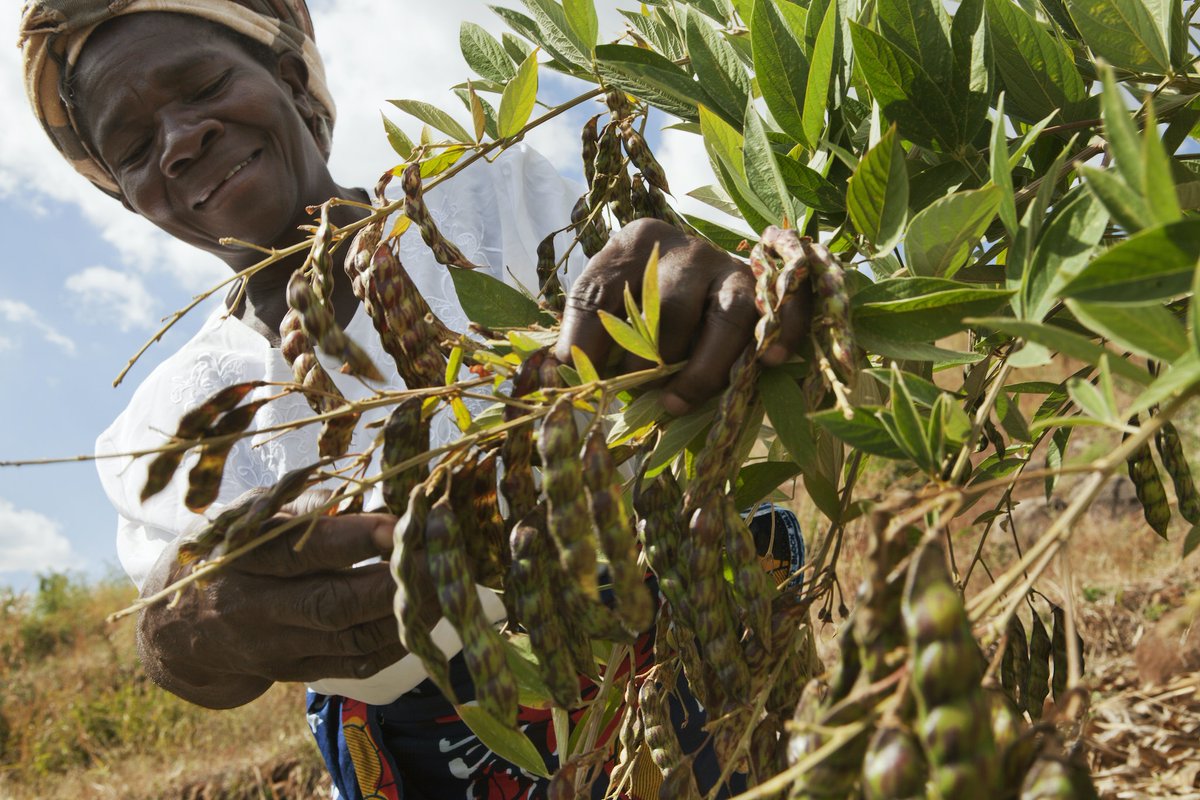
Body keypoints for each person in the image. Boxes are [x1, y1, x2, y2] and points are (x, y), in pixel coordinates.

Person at [18, 2, 812, 797]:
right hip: (428, 759)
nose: (181, 140)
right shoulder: (164, 423)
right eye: (132, 146)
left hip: (678, 656)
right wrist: (173, 638)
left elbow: (676, 289)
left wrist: (724, 287)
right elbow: (194, 638)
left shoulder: (489, 196)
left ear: (293, 82)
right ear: (128, 197)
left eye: (204, 85)